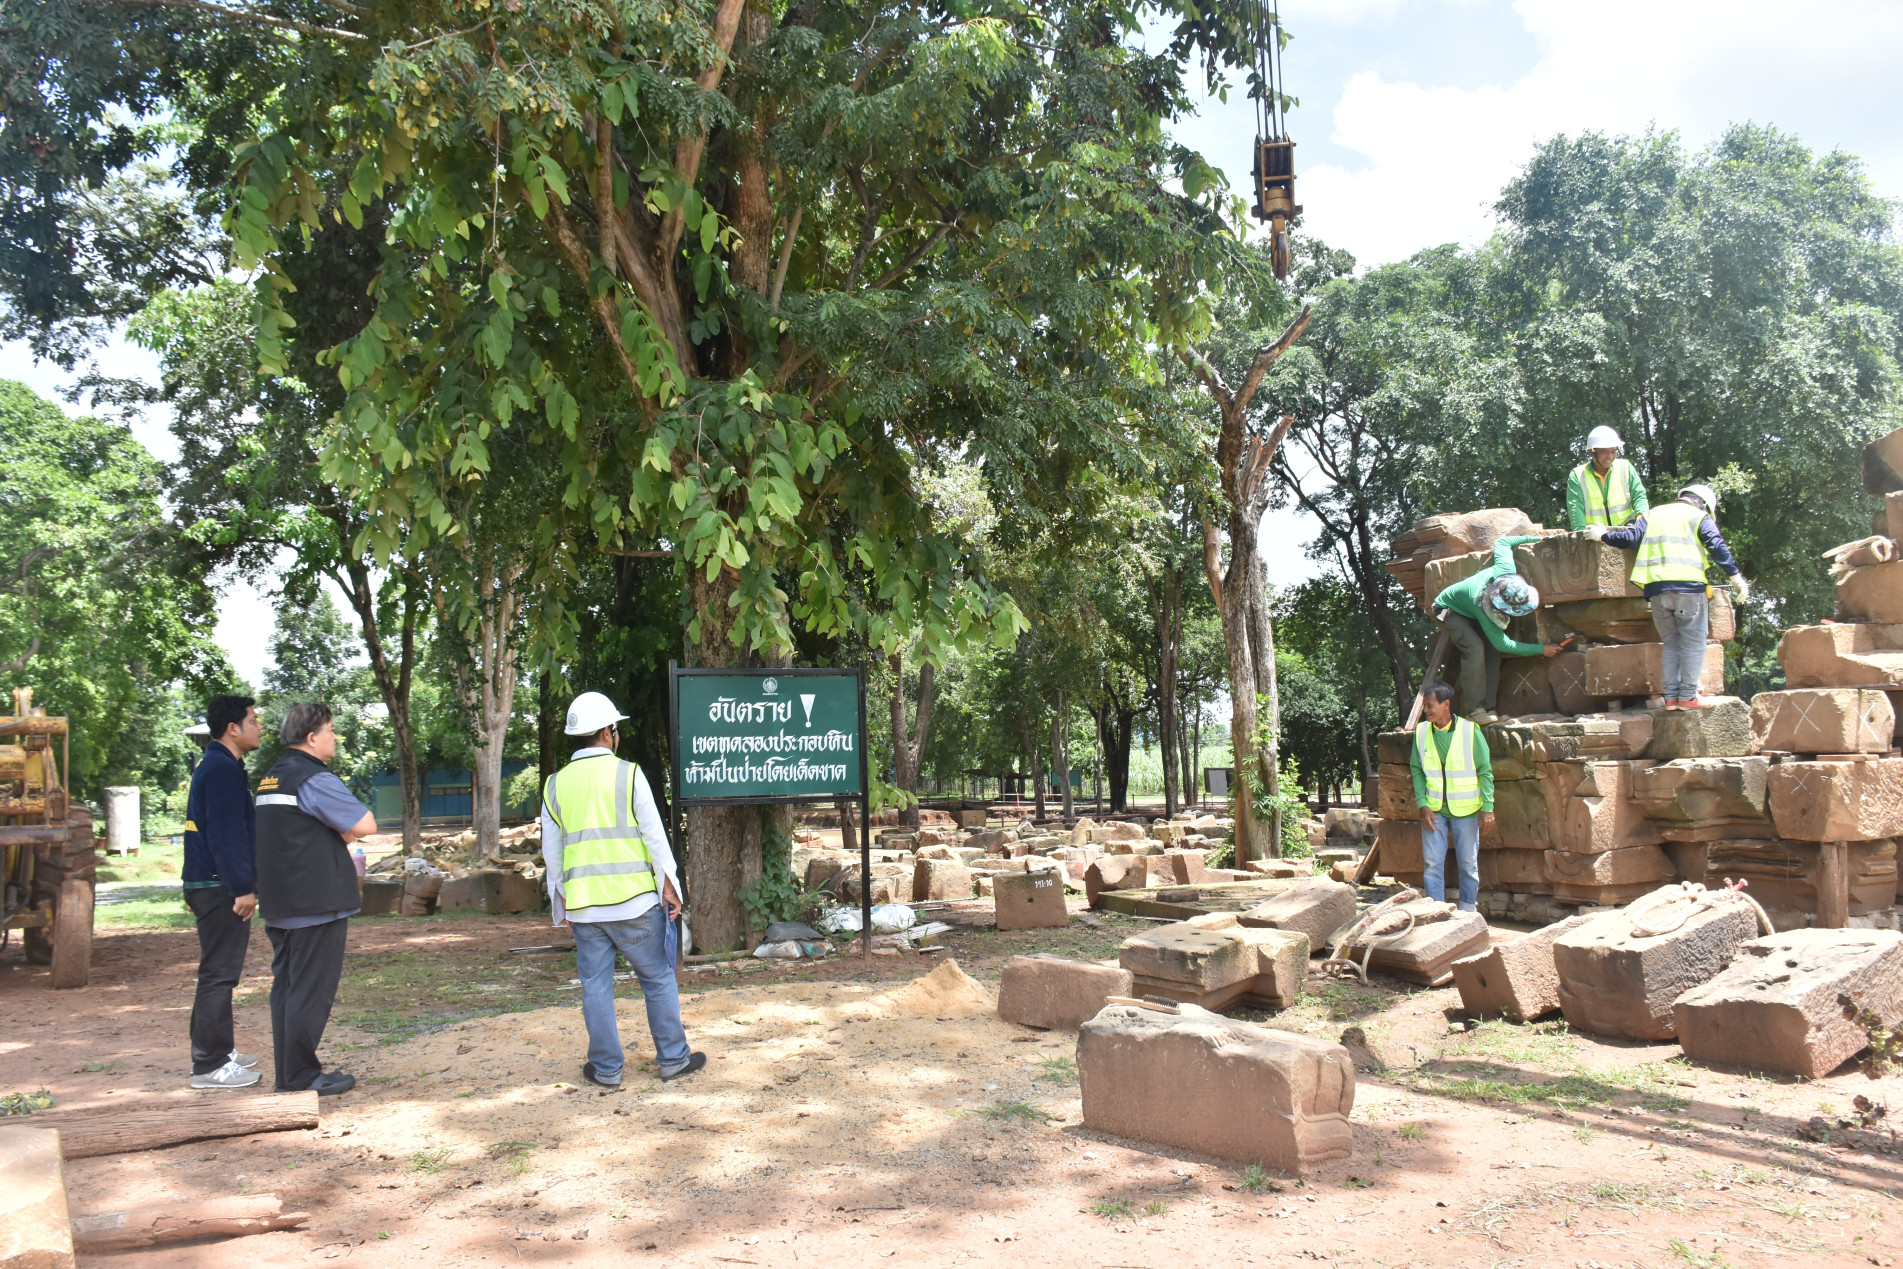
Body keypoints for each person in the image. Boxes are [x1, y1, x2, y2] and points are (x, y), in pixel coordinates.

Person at [543, 691, 704, 1089]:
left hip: (585, 911)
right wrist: (671, 889)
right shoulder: (628, 774)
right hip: (635, 904)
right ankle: (672, 1059)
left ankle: (607, 1070)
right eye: (615, 729)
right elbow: (654, 837)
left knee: (595, 987)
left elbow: (553, 855)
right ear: (606, 732)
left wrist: (561, 906)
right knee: (657, 979)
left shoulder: (555, 785)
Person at [254, 703, 376, 1096]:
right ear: (311, 738)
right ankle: (301, 1077)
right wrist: (345, 833)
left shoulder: (271, 777)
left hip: (282, 901)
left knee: (288, 989)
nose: (334, 737)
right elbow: (364, 824)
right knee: (310, 990)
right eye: (330, 731)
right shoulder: (313, 779)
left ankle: (290, 1073)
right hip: (316, 903)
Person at [1591, 483, 1748, 709]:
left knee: (1672, 644)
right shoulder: (1698, 517)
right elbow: (1716, 545)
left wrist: (1604, 535)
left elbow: (1631, 538)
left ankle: (1672, 698)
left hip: (1657, 591)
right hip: (1689, 589)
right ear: (1702, 504)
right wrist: (1736, 578)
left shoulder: (1652, 514)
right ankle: (1688, 696)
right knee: (1693, 644)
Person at [181, 694, 265, 1089]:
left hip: (215, 884)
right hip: (218, 887)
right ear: (233, 727)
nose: (259, 725)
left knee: (220, 974)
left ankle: (220, 1051)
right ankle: (209, 1065)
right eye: (253, 719)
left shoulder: (222, 765)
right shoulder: (221, 769)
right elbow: (227, 836)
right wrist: (243, 888)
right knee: (218, 975)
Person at [1430, 533, 1564, 724]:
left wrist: (1538, 538)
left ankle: (1489, 707)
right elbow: (1505, 644)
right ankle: (1474, 711)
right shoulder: (1484, 608)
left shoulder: (1505, 568)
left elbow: (1503, 541)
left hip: (1472, 611)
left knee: (1491, 652)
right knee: (1475, 649)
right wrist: (1541, 649)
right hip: (1450, 611)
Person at [1410, 681, 1493, 912]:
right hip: (1434, 809)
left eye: (1429, 705)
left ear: (1446, 705)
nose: (1426, 710)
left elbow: (1485, 770)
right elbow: (1416, 770)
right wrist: (1422, 804)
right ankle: (1436, 912)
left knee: (1468, 864)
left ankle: (1468, 911)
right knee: (1432, 865)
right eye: (1425, 705)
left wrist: (1488, 807)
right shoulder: (1421, 732)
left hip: (1466, 810)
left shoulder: (1470, 731)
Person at [1566, 426, 1649, 531]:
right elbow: (1576, 510)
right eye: (1605, 452)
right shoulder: (1577, 475)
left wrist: (1641, 522)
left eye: (1613, 451)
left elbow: (1639, 497)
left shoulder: (1626, 468)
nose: (1610, 456)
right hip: (1594, 536)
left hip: (1626, 532)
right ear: (1592, 452)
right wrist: (1580, 536)